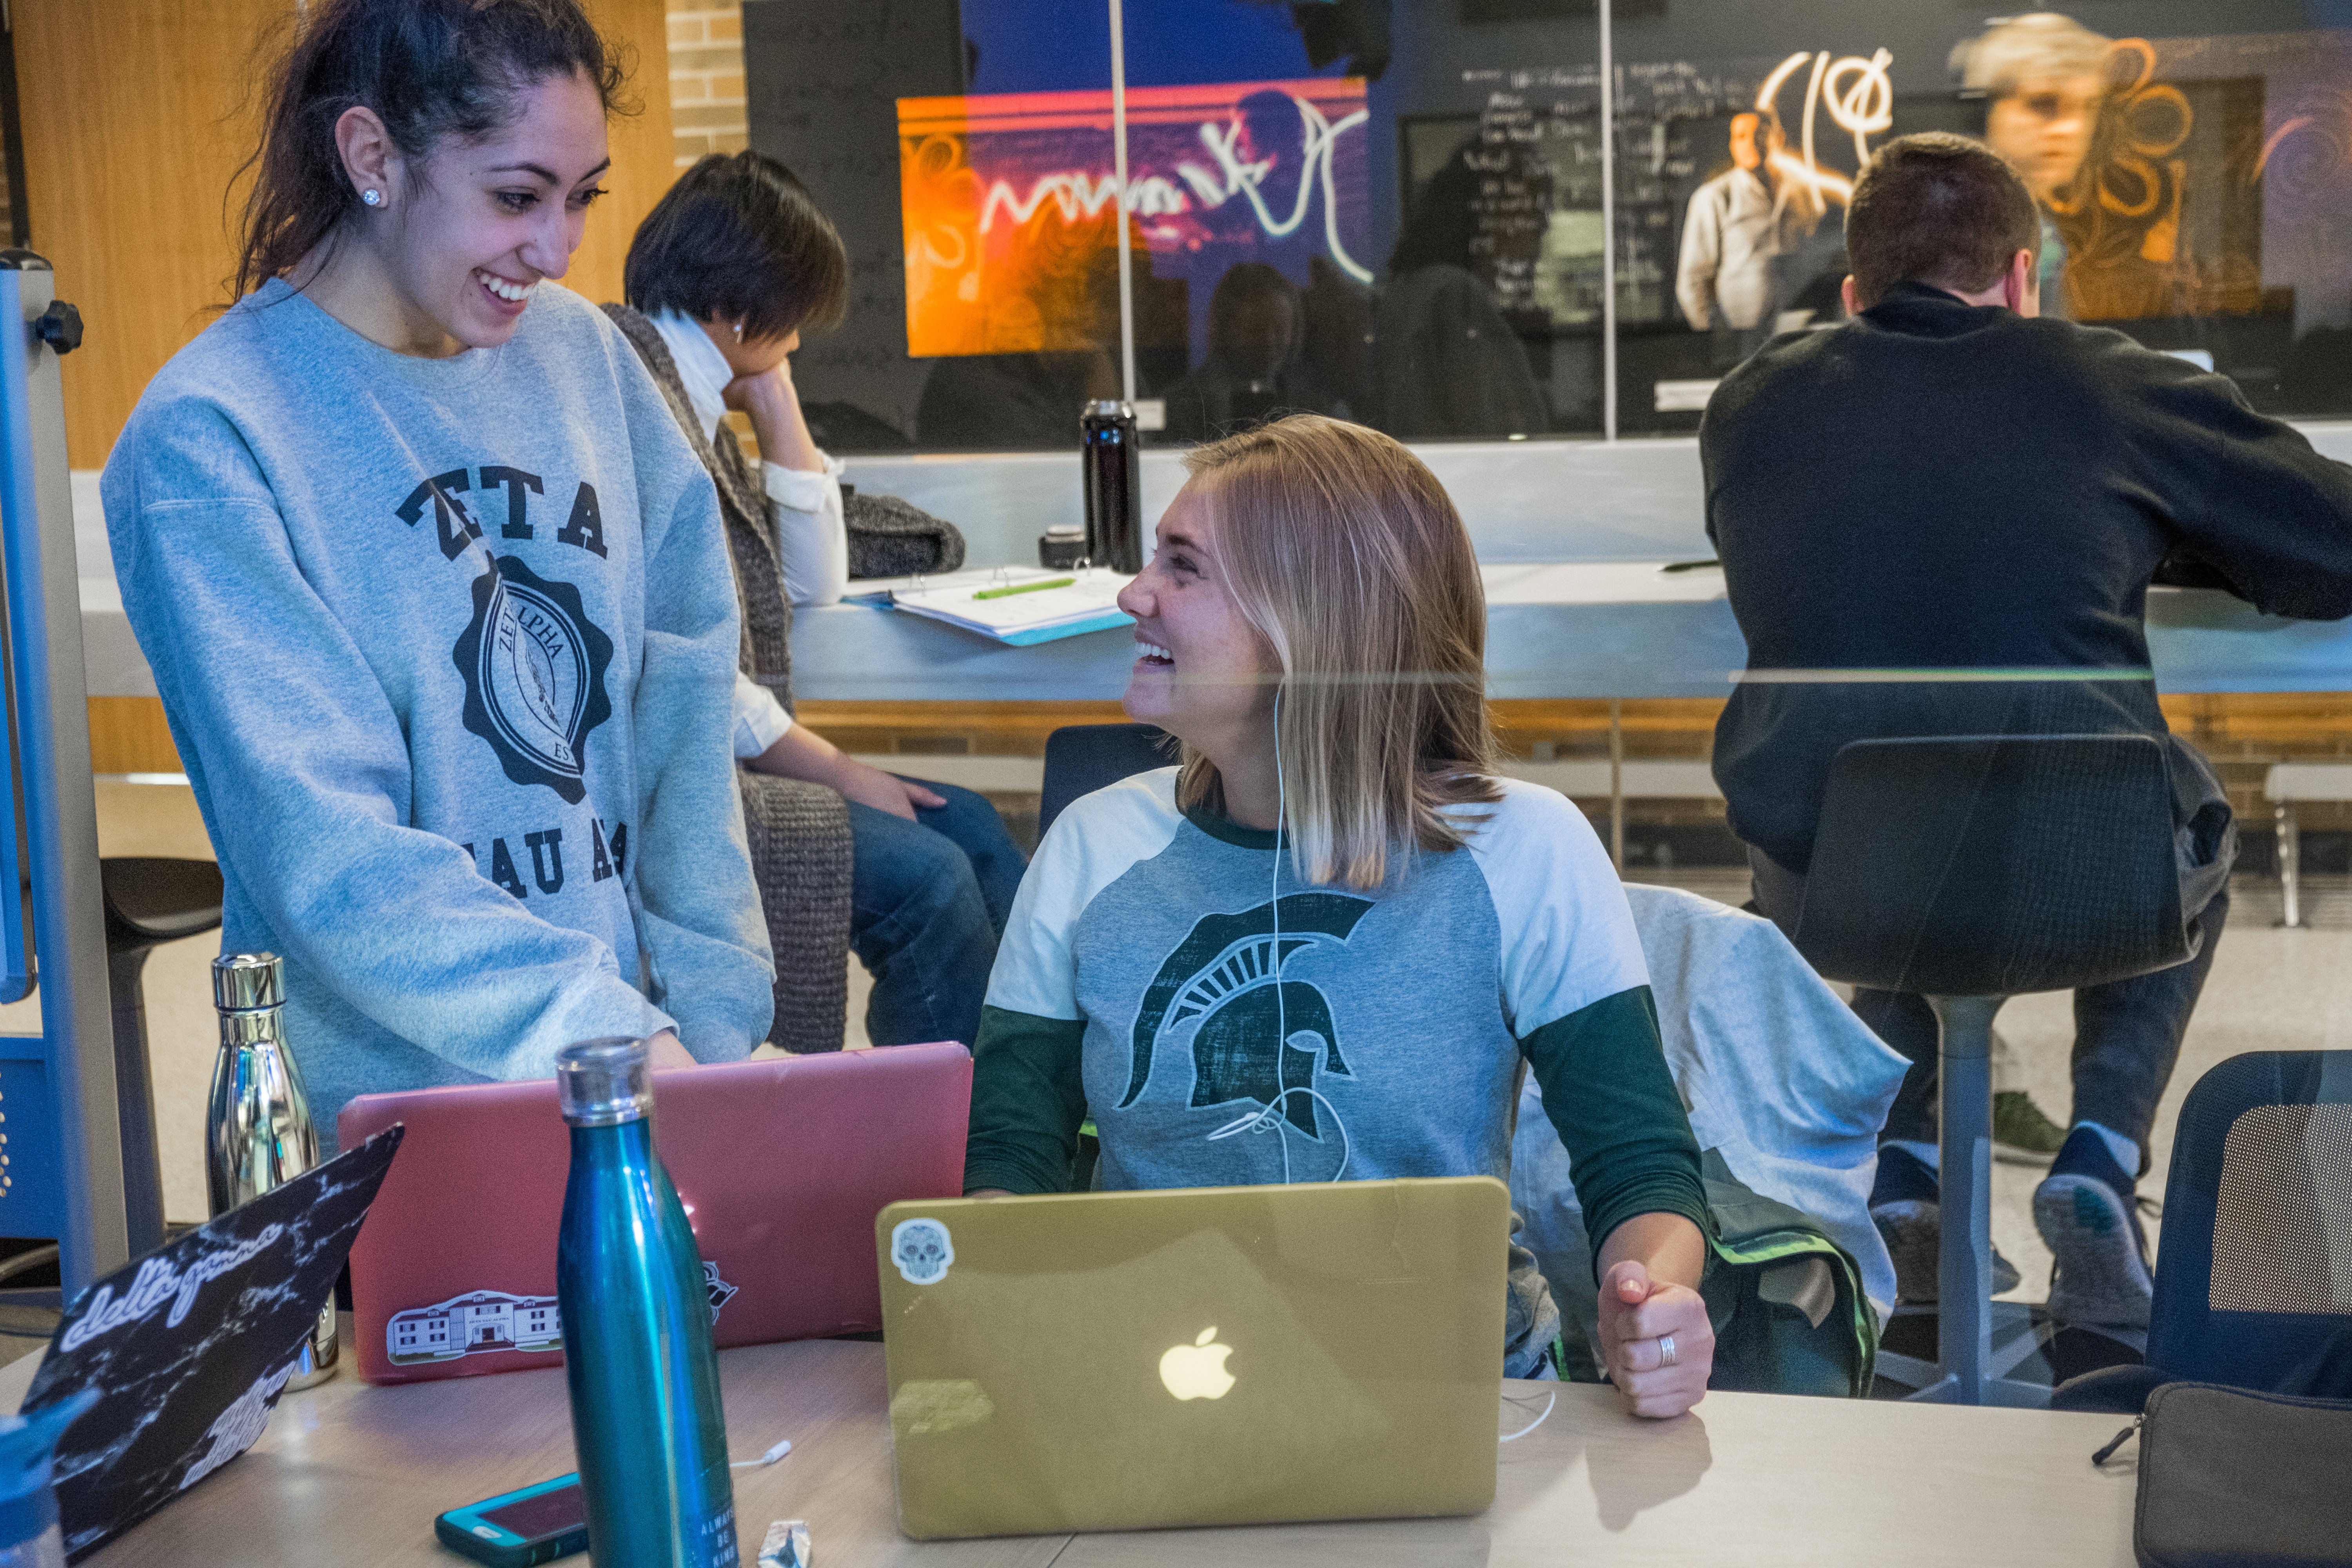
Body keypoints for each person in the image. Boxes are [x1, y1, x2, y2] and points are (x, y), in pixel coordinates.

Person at [100, 0, 775, 1148]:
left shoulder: (585, 357)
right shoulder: (213, 434)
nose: (558, 249)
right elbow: (330, 856)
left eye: (581, 197)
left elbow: (684, 708)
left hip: (643, 1074)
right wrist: (605, 1033)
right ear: (372, 157)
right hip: (409, 1125)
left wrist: (713, 1034)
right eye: (516, 196)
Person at [1703, 132, 2352, 1325]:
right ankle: (2098, 1151)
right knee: (2180, 817)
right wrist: (2162, 524)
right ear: (2019, 278)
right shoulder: (2109, 382)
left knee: (1906, 816)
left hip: (1828, 890)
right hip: (2082, 882)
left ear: (1851, 296)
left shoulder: (1747, 407)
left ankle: (1902, 1163)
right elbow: (2329, 544)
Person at [963, 414, 1717, 1415]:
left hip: (1453, 1398)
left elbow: (1640, 1164)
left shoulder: (1526, 850)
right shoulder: (1091, 849)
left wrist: (1654, 1296)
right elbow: (1012, 1156)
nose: (1132, 592)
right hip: (1152, 1390)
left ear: (1310, 624)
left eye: (1181, 568)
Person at [610, 152, 1027, 1052]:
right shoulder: (637, 402)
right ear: (735, 302)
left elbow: (807, 581)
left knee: (979, 830)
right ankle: (939, 1155)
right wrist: (839, 770)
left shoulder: (690, 394)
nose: (800, 337)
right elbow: (677, 660)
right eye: (793, 314)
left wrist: (773, 392)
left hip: (731, 771)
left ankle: (1026, 1114)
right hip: (680, 797)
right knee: (933, 883)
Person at [1953, 13, 2112, 318]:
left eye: (2087, 106)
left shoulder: (2038, 230)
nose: (2070, 129)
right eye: (2042, 103)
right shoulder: (1942, 233)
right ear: (1987, 110)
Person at [1674, 112, 1823, 340]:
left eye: (1760, 134)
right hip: (1740, 340)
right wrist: (1713, 336)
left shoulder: (1800, 193)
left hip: (1797, 334)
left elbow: (1813, 258)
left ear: (1779, 139)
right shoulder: (1714, 196)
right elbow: (1692, 281)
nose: (1752, 143)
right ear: (1732, 145)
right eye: (1742, 136)